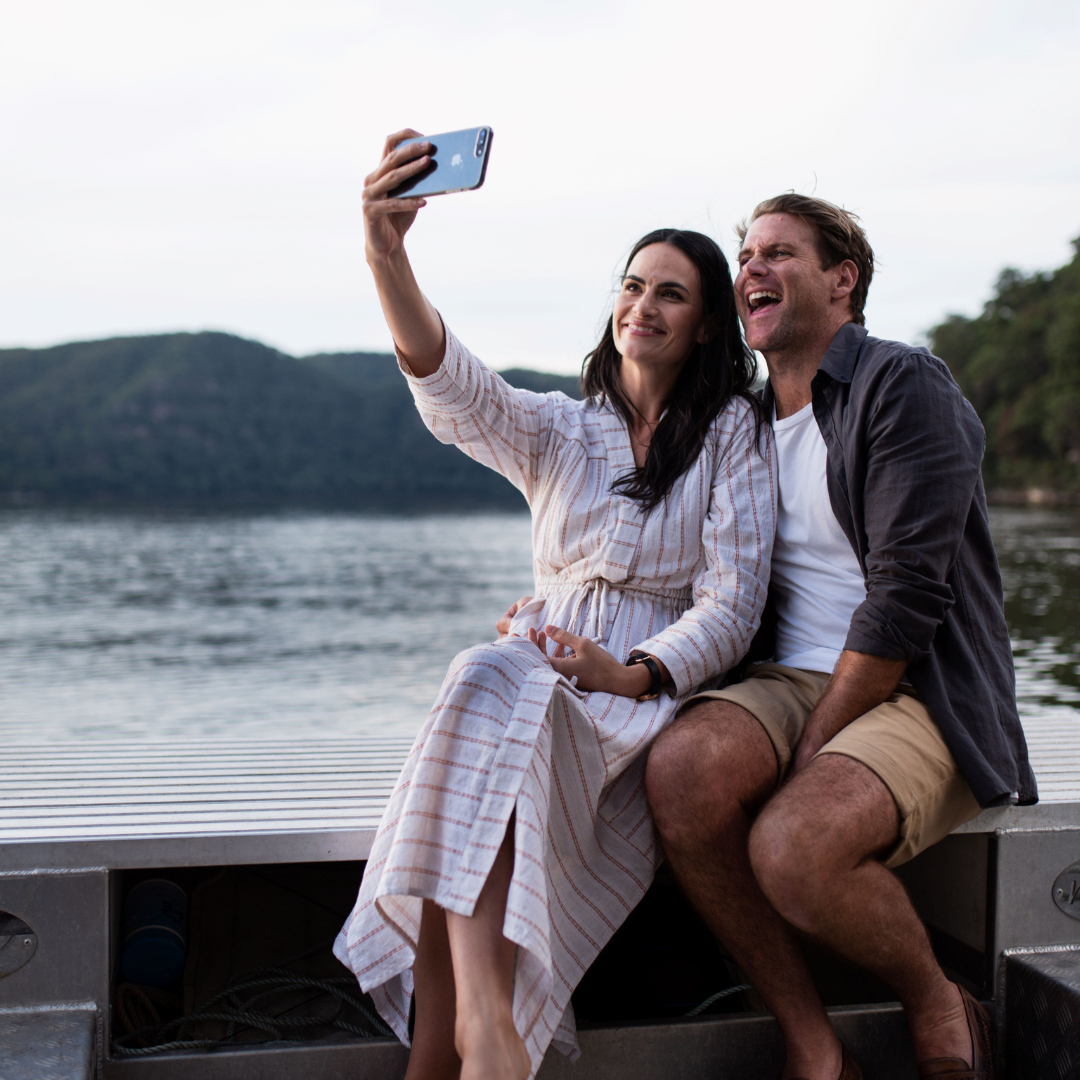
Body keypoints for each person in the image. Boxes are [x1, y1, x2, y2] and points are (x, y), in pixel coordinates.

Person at [333, 130, 777, 1080]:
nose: (642, 304)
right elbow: (451, 384)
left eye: (670, 292)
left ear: (706, 325)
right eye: (631, 284)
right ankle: (484, 1034)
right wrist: (387, 252)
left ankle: (441, 1053)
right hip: (537, 672)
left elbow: (734, 603)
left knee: (490, 688)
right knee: (494, 680)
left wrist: (631, 668)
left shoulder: (732, 433)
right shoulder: (560, 429)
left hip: (634, 697)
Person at [645, 194, 1037, 1080]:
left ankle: (940, 1001)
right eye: (746, 256)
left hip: (917, 688)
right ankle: (815, 1045)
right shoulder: (736, 421)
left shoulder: (903, 386)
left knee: (791, 845)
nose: (751, 269)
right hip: (786, 675)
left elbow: (906, 599)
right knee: (680, 771)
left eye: (779, 253)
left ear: (842, 279)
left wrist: (817, 743)